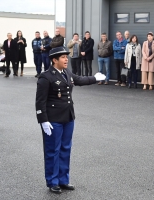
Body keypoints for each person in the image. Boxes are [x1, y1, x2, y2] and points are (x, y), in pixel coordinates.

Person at [35, 46, 105, 194]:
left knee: (65, 149)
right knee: (52, 151)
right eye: (63, 57)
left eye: (67, 57)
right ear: (54, 60)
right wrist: (43, 120)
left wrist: (94, 78)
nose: (66, 59)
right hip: (53, 120)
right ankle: (52, 181)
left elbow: (79, 80)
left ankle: (63, 180)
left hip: (68, 117)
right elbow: (40, 101)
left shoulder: (66, 72)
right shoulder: (45, 77)